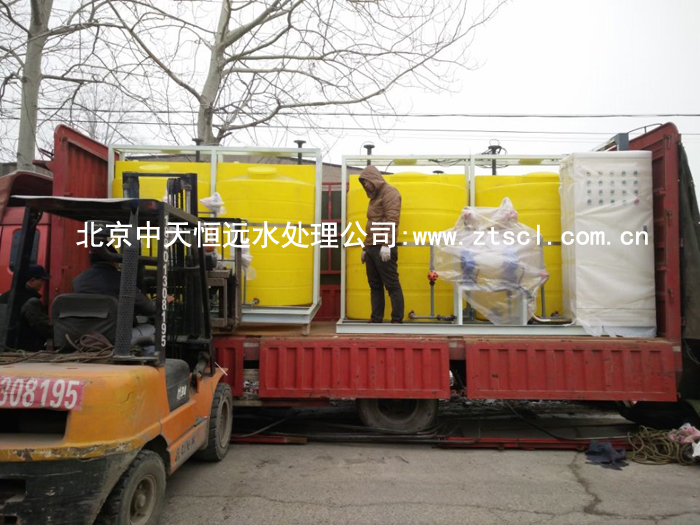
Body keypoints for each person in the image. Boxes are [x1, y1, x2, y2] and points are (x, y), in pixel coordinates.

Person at [359, 165, 404, 323]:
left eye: (366, 181)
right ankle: (376, 318)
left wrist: (387, 244)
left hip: (383, 246)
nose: (365, 185)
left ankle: (396, 319)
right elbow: (371, 224)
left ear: (374, 179)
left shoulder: (390, 193)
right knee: (375, 285)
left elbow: (392, 219)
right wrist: (365, 248)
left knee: (391, 284)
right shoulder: (374, 197)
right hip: (372, 247)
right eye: (363, 183)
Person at [72, 248, 157, 317]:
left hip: (84, 331)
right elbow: (149, 308)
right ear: (113, 260)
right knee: (151, 328)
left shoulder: (77, 281)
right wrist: (161, 301)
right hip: (115, 332)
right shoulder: (122, 280)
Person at [0, 264, 51, 350]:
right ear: (32, 280)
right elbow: (42, 326)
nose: (43, 283)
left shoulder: (4, 297)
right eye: (42, 280)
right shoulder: (31, 301)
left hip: (4, 348)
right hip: (25, 349)